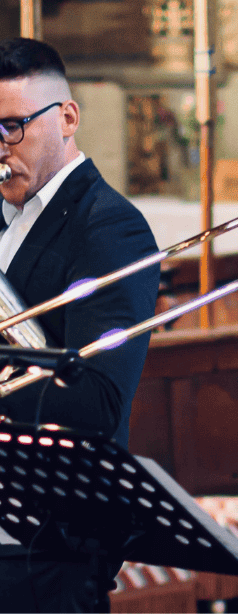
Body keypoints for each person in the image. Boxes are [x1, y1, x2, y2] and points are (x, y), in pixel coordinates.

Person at [0, 38, 159, 612]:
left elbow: (98, 405)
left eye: (11, 126)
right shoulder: (4, 216)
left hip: (45, 547)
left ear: (67, 117)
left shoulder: (108, 228)